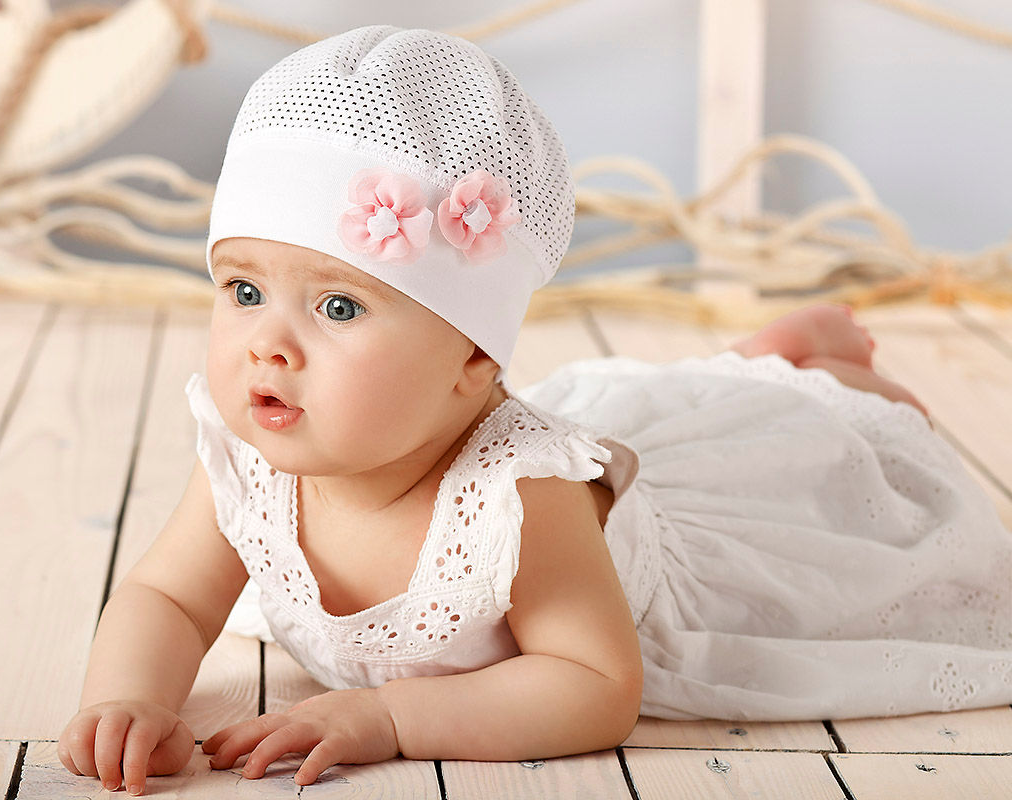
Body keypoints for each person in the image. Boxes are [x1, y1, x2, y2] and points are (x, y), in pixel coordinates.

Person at [57, 25, 1012, 796]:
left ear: (473, 357)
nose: (267, 344)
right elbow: (168, 597)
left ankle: (823, 368)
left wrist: (390, 719)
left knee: (831, 442)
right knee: (664, 403)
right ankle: (758, 359)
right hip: (553, 430)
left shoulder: (522, 496)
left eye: (338, 306)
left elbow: (594, 686)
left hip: (689, 547)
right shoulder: (247, 450)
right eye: (243, 289)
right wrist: (127, 699)